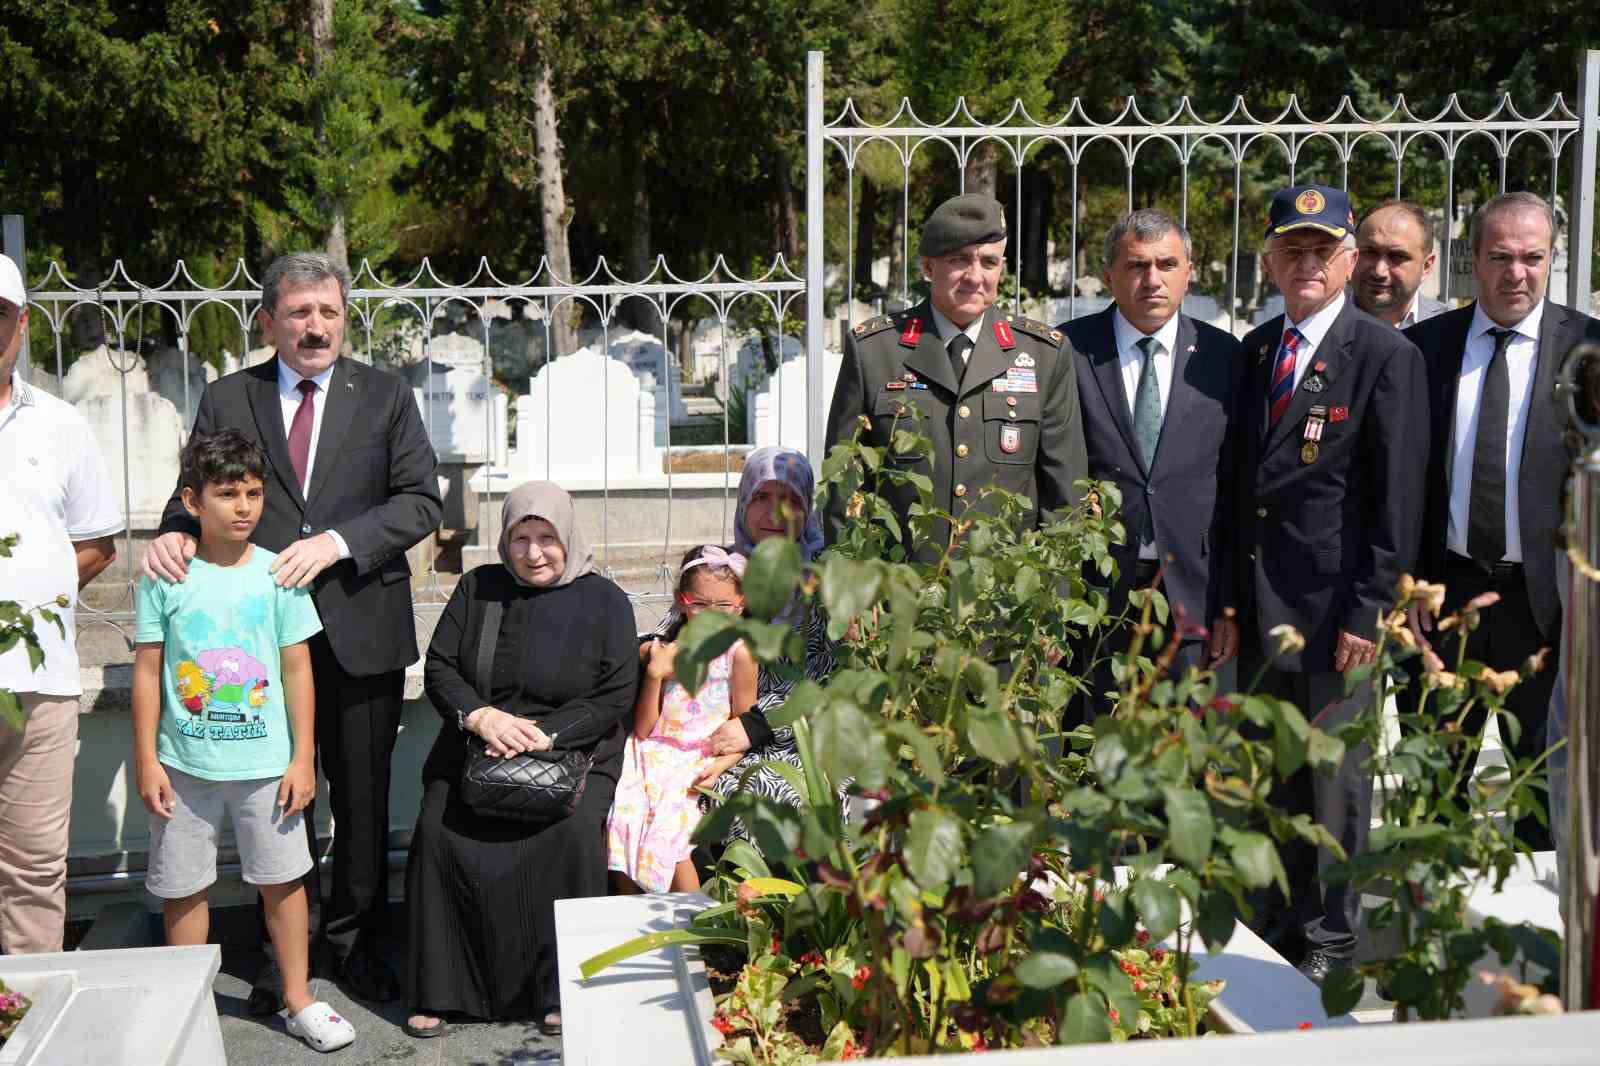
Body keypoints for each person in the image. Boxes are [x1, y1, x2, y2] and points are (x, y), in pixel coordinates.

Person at [143, 252, 441, 1010]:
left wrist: (336, 543)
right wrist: (173, 533)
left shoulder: (385, 395)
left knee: (364, 801)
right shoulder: (227, 396)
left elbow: (419, 502)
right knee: (283, 799)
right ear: (268, 319)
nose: (317, 327)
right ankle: (292, 955)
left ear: (346, 317)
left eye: (330, 312)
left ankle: (358, 942)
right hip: (257, 647)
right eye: (301, 312)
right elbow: (197, 491)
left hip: (360, 626)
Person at [1235, 184, 1428, 984]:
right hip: (1264, 606)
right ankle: (1280, 913)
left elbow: (1397, 502)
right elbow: (1239, 487)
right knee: (1277, 770)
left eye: (1324, 250)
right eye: (1293, 249)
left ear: (1350, 260)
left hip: (1337, 613)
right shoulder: (1255, 350)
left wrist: (1370, 609)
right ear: (1271, 260)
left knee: (1335, 781)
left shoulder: (1386, 356)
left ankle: (1333, 934)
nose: (1307, 263)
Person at [132, 430, 354, 1052]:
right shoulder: (164, 576)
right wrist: (148, 760)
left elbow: (297, 670)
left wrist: (302, 755)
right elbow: (149, 671)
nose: (243, 507)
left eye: (253, 493)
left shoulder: (278, 575)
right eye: (227, 493)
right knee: (183, 886)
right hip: (184, 767)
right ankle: (191, 1003)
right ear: (192, 501)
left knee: (283, 883)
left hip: (266, 767)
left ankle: (299, 997)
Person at [404, 481, 637, 1040]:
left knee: (576, 832)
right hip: (479, 744)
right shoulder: (479, 588)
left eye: (547, 537)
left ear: (569, 536)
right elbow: (441, 668)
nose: (533, 553)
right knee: (438, 831)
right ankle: (443, 991)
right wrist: (482, 718)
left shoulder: (604, 600)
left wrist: (545, 734)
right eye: (520, 538)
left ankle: (559, 989)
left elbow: (615, 691)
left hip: (572, 751)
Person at [1405, 191, 1600, 849]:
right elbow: (1404, 481)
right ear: (1473, 261)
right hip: (1446, 600)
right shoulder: (1424, 349)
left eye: (1532, 258)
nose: (1516, 273)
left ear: (1550, 260)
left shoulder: (1590, 351)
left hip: (1546, 608)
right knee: (1430, 789)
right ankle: (1426, 937)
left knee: (1541, 797)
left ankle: (1536, 945)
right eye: (1500, 257)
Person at [824, 193, 1087, 558]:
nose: (975, 277)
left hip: (1006, 602)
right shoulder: (874, 351)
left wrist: (1049, 603)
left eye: (989, 262)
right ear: (929, 267)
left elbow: (1064, 498)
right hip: (901, 596)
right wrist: (853, 596)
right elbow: (845, 487)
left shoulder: (1043, 355)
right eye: (959, 260)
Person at [1059, 208, 1244, 707]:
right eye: (1137, 265)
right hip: (1095, 600)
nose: (1152, 280)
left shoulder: (1225, 358)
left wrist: (1229, 603)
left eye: (1167, 264)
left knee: (1188, 763)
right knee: (1095, 759)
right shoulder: (1068, 353)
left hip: (1193, 600)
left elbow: (1236, 490)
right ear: (1109, 274)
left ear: (1190, 270)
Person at [0, 253, 122, 955]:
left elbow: (98, 542)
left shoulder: (59, 424)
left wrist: (32, 596)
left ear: (22, 324)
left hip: (37, 683)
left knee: (32, 868)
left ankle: (26, 1020)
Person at [695, 448, 836, 842]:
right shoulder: (720, 571)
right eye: (761, 498)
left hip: (806, 740)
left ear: (807, 511)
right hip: (720, 736)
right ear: (743, 503)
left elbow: (827, 679)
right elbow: (676, 633)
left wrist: (757, 726)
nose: (775, 515)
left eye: (791, 500)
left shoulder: (826, 581)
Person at [608, 546, 757, 893]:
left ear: (741, 604)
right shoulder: (668, 651)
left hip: (698, 758)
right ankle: (626, 928)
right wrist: (654, 675)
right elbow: (644, 730)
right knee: (623, 823)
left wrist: (724, 764)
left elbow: (745, 724)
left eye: (724, 606)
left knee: (671, 839)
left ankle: (693, 935)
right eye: (700, 604)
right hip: (649, 754)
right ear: (682, 601)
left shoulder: (740, 654)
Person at [1352, 200, 1446, 328]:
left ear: (1426, 267)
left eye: (1397, 256)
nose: (1379, 271)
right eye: (1369, 252)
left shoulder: (1450, 327)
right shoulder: (1321, 318)